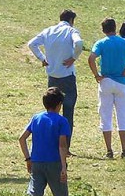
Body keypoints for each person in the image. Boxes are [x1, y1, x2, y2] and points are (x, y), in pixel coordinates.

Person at [16, 87, 85, 196]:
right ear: (59, 104)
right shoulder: (62, 121)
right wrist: (63, 167)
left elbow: (21, 139)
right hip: (54, 163)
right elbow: (62, 146)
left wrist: (28, 159)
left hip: (37, 163)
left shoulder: (36, 118)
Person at [88, 17, 125, 158]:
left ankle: (109, 149)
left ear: (103, 30)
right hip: (122, 81)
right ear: (115, 28)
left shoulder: (101, 43)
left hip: (106, 80)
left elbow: (91, 58)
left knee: (106, 115)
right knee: (123, 115)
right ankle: (124, 149)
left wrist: (97, 75)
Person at [29, 10, 84, 150]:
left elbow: (32, 44)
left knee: (52, 112)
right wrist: (74, 57)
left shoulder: (49, 30)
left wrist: (42, 58)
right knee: (68, 113)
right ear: (71, 20)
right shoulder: (71, 30)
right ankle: (65, 147)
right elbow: (79, 43)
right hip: (67, 75)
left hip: (52, 76)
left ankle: (52, 144)